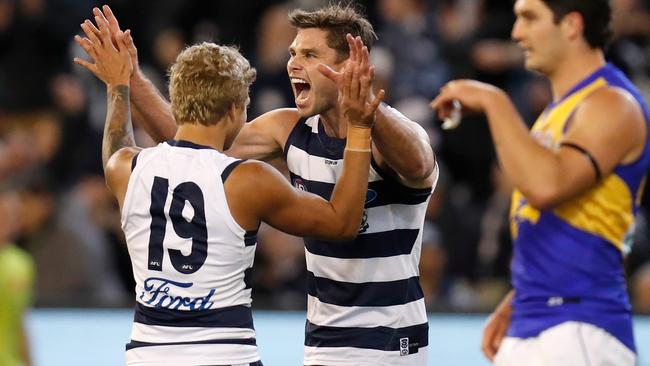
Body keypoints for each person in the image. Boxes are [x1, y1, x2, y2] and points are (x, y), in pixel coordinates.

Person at [78, 3, 438, 365]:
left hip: (391, 339)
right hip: (323, 339)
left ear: (350, 66)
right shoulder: (289, 129)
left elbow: (419, 163)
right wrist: (133, 79)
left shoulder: (393, 134)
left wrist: (366, 118)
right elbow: (195, 144)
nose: (293, 63)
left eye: (310, 54)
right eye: (293, 53)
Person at [432, 0, 649, 365]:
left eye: (530, 18)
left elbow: (547, 187)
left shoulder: (613, 103)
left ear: (572, 25)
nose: (516, 33)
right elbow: (562, 222)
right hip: (541, 321)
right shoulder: (557, 113)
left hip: (580, 324)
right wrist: (521, 296)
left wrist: (493, 100)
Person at [0, 190, 34, 366]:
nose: (9, 222)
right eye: (3, 215)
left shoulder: (22, 263)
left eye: (14, 216)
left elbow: (20, 323)